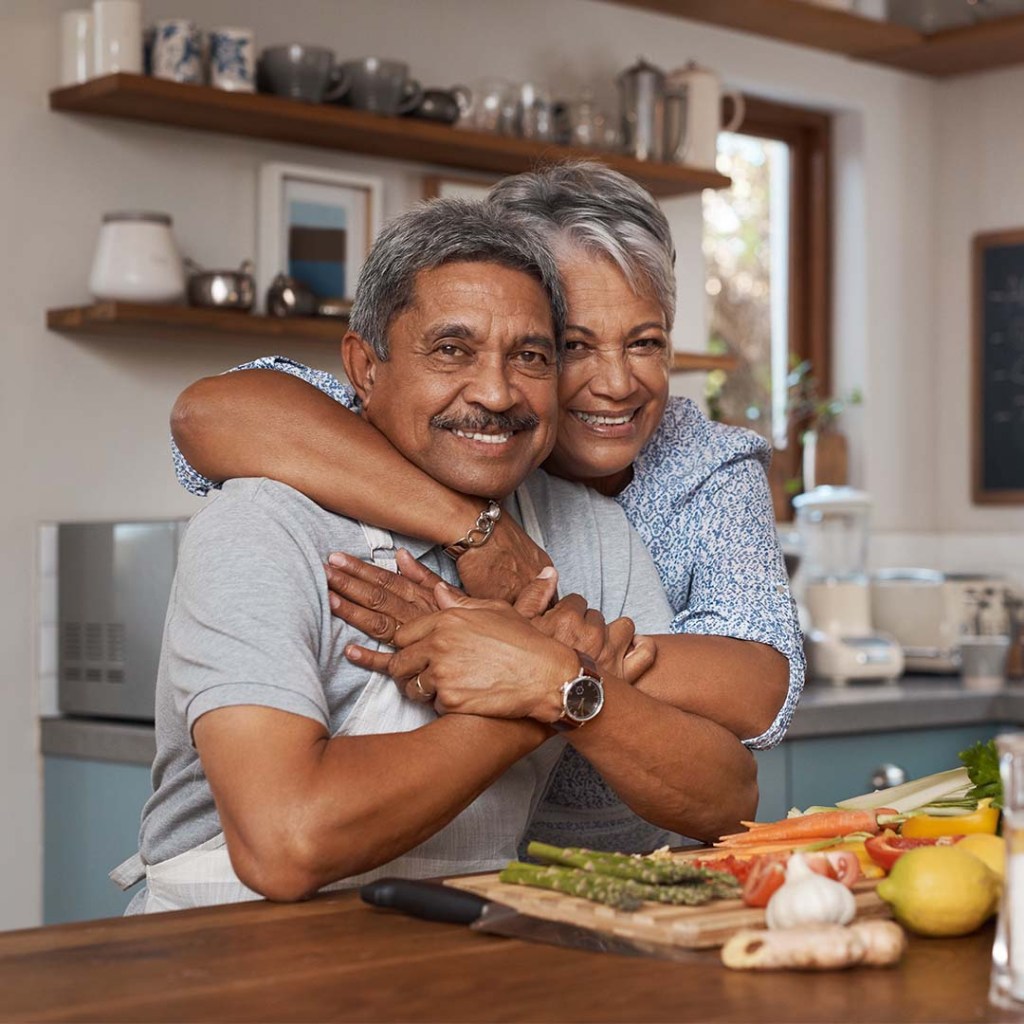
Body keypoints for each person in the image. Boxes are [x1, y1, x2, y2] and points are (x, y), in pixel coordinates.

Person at [116, 197, 756, 913]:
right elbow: (284, 843)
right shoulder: (265, 526)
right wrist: (547, 688)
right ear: (364, 367)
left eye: (531, 356)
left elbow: (726, 800)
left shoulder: (590, 533)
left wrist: (557, 683)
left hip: (461, 948)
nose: (495, 391)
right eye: (452, 350)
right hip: (224, 953)